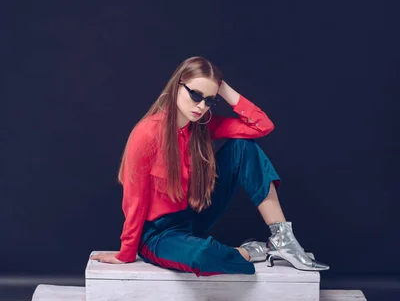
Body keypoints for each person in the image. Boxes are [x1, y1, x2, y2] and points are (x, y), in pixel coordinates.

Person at [90, 56, 329, 274]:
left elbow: (261, 126)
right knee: (203, 256)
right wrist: (126, 252)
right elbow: (134, 199)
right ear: (177, 86)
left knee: (243, 147)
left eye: (209, 100)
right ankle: (253, 251)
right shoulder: (147, 134)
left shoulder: (203, 125)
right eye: (195, 95)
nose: (201, 106)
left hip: (193, 215)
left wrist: (220, 86)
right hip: (158, 234)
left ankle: (283, 239)